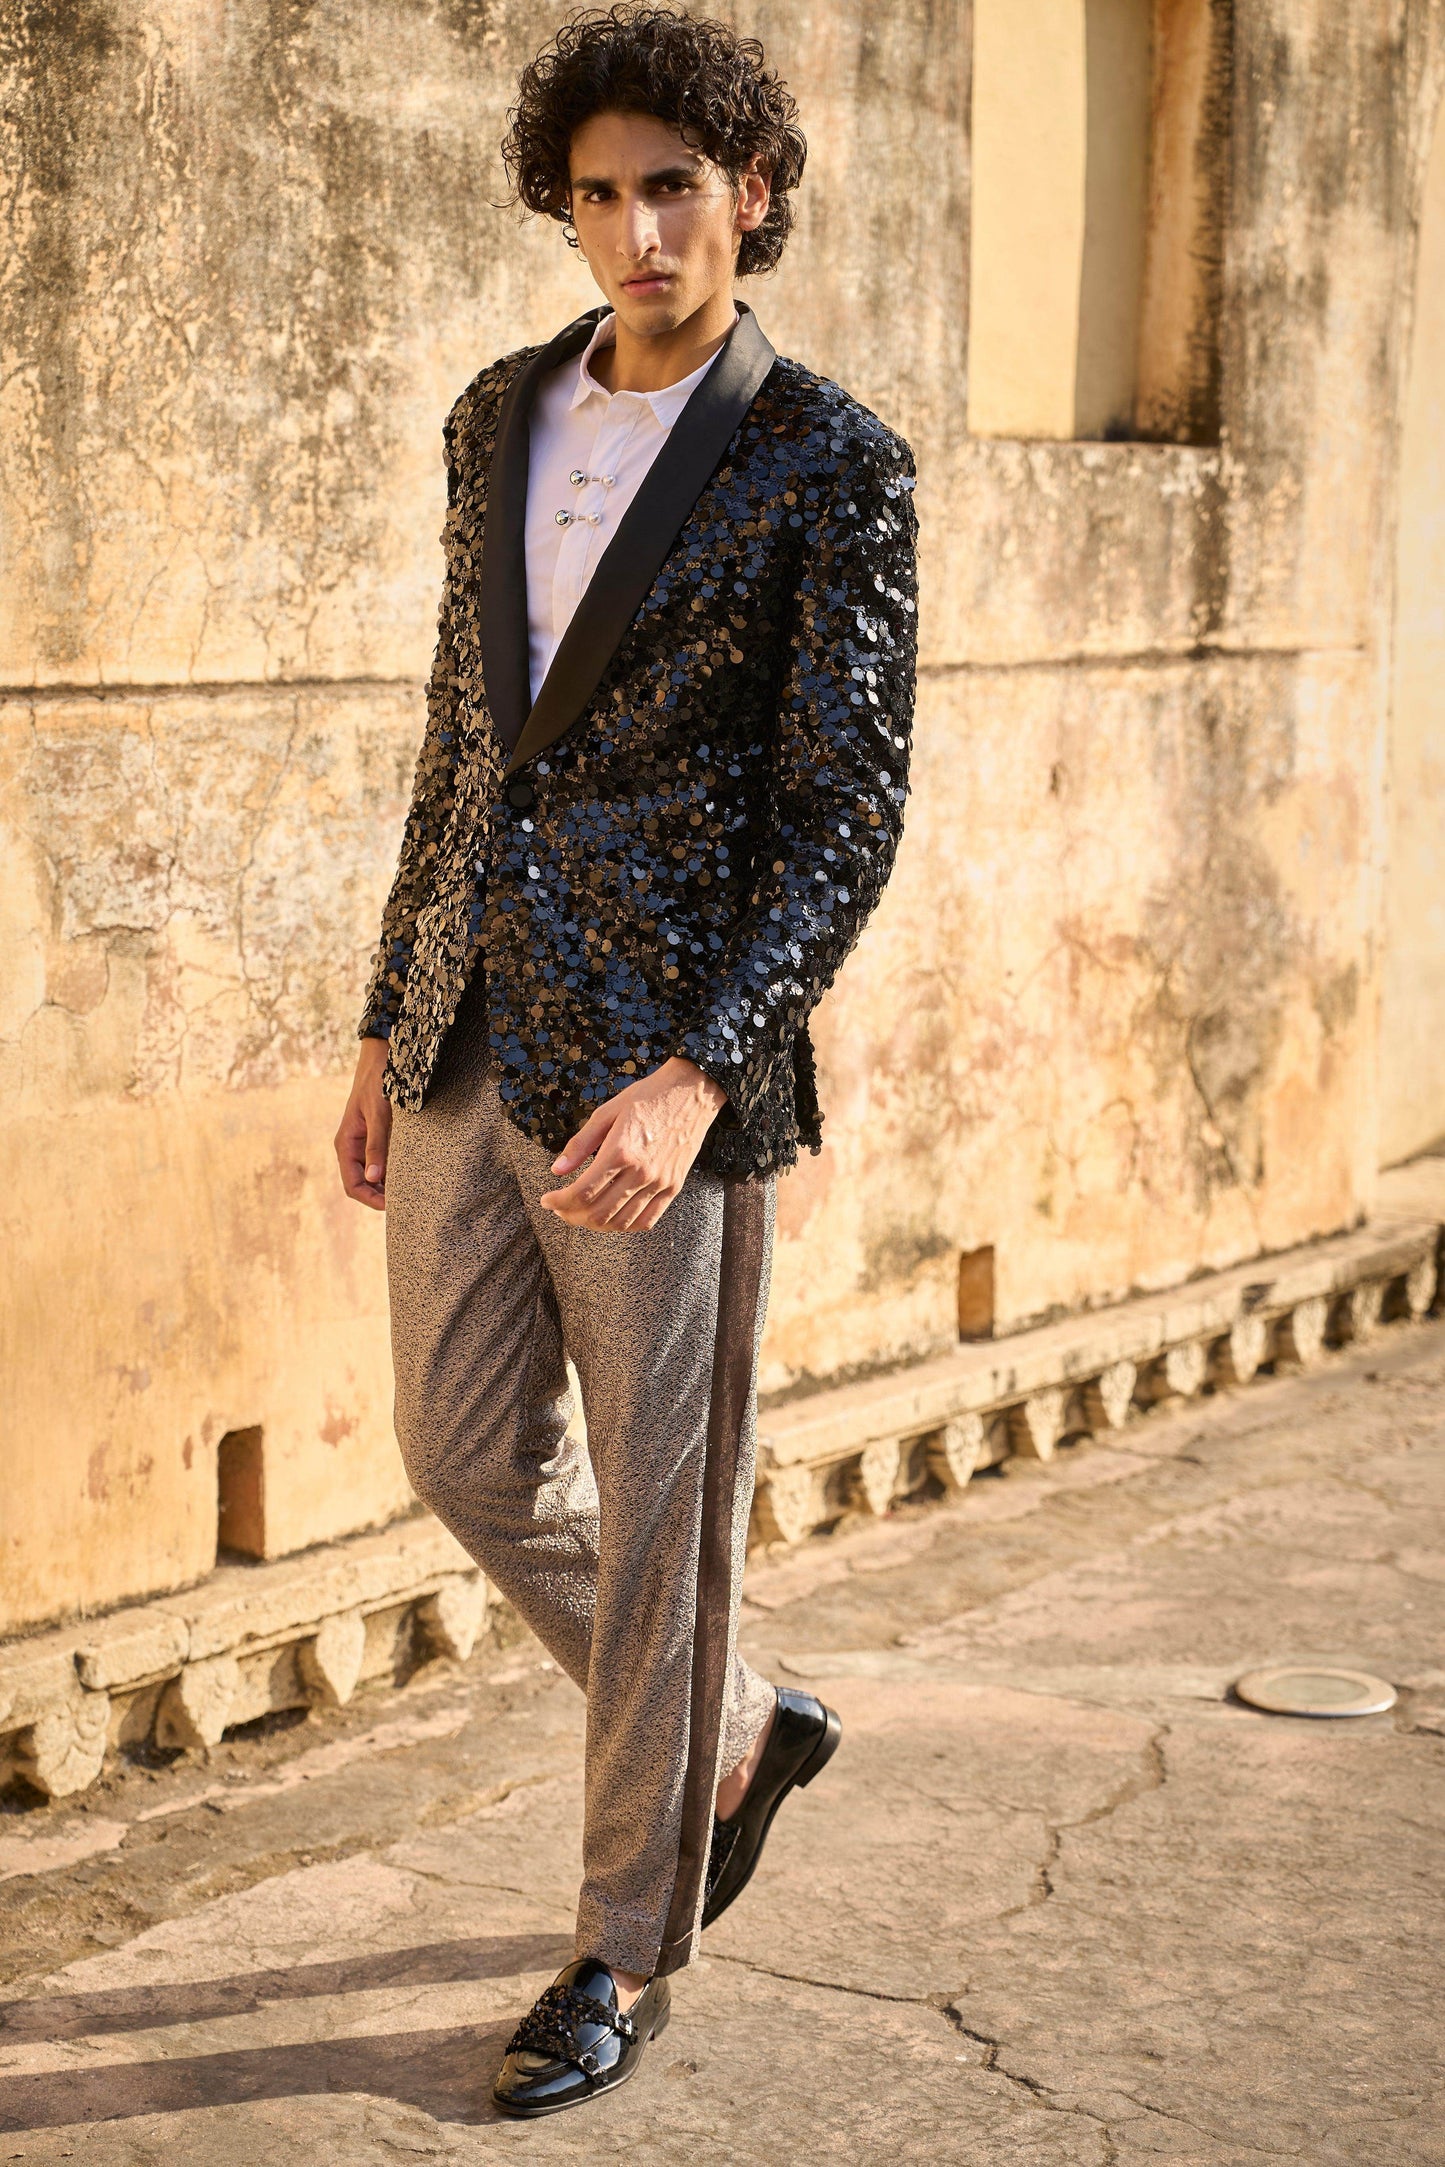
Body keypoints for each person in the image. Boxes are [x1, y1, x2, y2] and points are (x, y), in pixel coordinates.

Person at [334, 2, 917, 2119]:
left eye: (674, 186)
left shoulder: (830, 458)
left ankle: (620, 1949)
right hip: (466, 1028)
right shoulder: (497, 414)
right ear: (562, 209)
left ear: (749, 192)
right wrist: (384, 1014)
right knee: (465, 1454)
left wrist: (697, 1076)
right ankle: (738, 1724)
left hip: (660, 1080)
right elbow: (460, 737)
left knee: (667, 1519)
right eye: (598, 194)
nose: (638, 230)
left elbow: (843, 810)